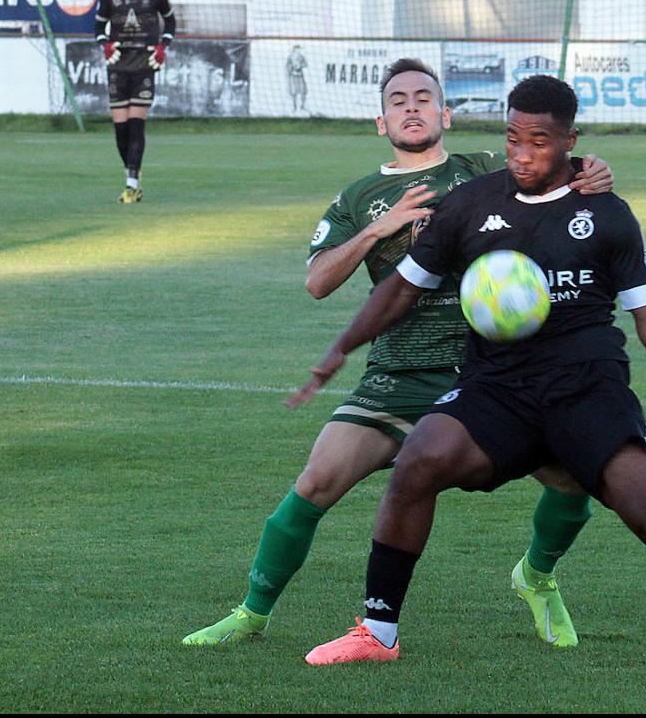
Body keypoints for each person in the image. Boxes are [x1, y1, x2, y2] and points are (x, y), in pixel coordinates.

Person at [290, 75, 646, 665]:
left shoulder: (606, 213)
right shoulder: (470, 204)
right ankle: (378, 632)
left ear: (570, 140)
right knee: (418, 462)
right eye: (513, 139)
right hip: (496, 389)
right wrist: (340, 348)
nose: (522, 154)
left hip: (588, 391)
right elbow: (399, 290)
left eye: (539, 141)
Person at [181, 60, 616, 649]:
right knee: (315, 484)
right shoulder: (360, 196)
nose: (411, 107)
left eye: (423, 98)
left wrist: (594, 172)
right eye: (398, 100)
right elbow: (317, 282)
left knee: (574, 481)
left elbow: (565, 172)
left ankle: (536, 577)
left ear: (446, 114)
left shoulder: (486, 171)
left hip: (494, 375)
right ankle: (251, 613)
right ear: (380, 121)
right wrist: (374, 231)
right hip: (398, 375)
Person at [94, 0, 175, 204]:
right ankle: (132, 170)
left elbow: (170, 22)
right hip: (118, 64)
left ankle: (131, 185)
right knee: (121, 128)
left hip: (144, 63)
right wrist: (104, 43)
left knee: (137, 123)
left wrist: (163, 45)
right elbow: (98, 24)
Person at [286, 45, 308, 113]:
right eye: (297, 49)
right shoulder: (290, 56)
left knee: (303, 92)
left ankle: (302, 106)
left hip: (300, 76)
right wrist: (292, 68)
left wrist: (300, 66)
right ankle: (294, 107)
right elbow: (287, 66)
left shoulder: (301, 56)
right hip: (293, 76)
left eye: (299, 49)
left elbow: (305, 64)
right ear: (295, 49)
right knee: (293, 93)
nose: (299, 50)